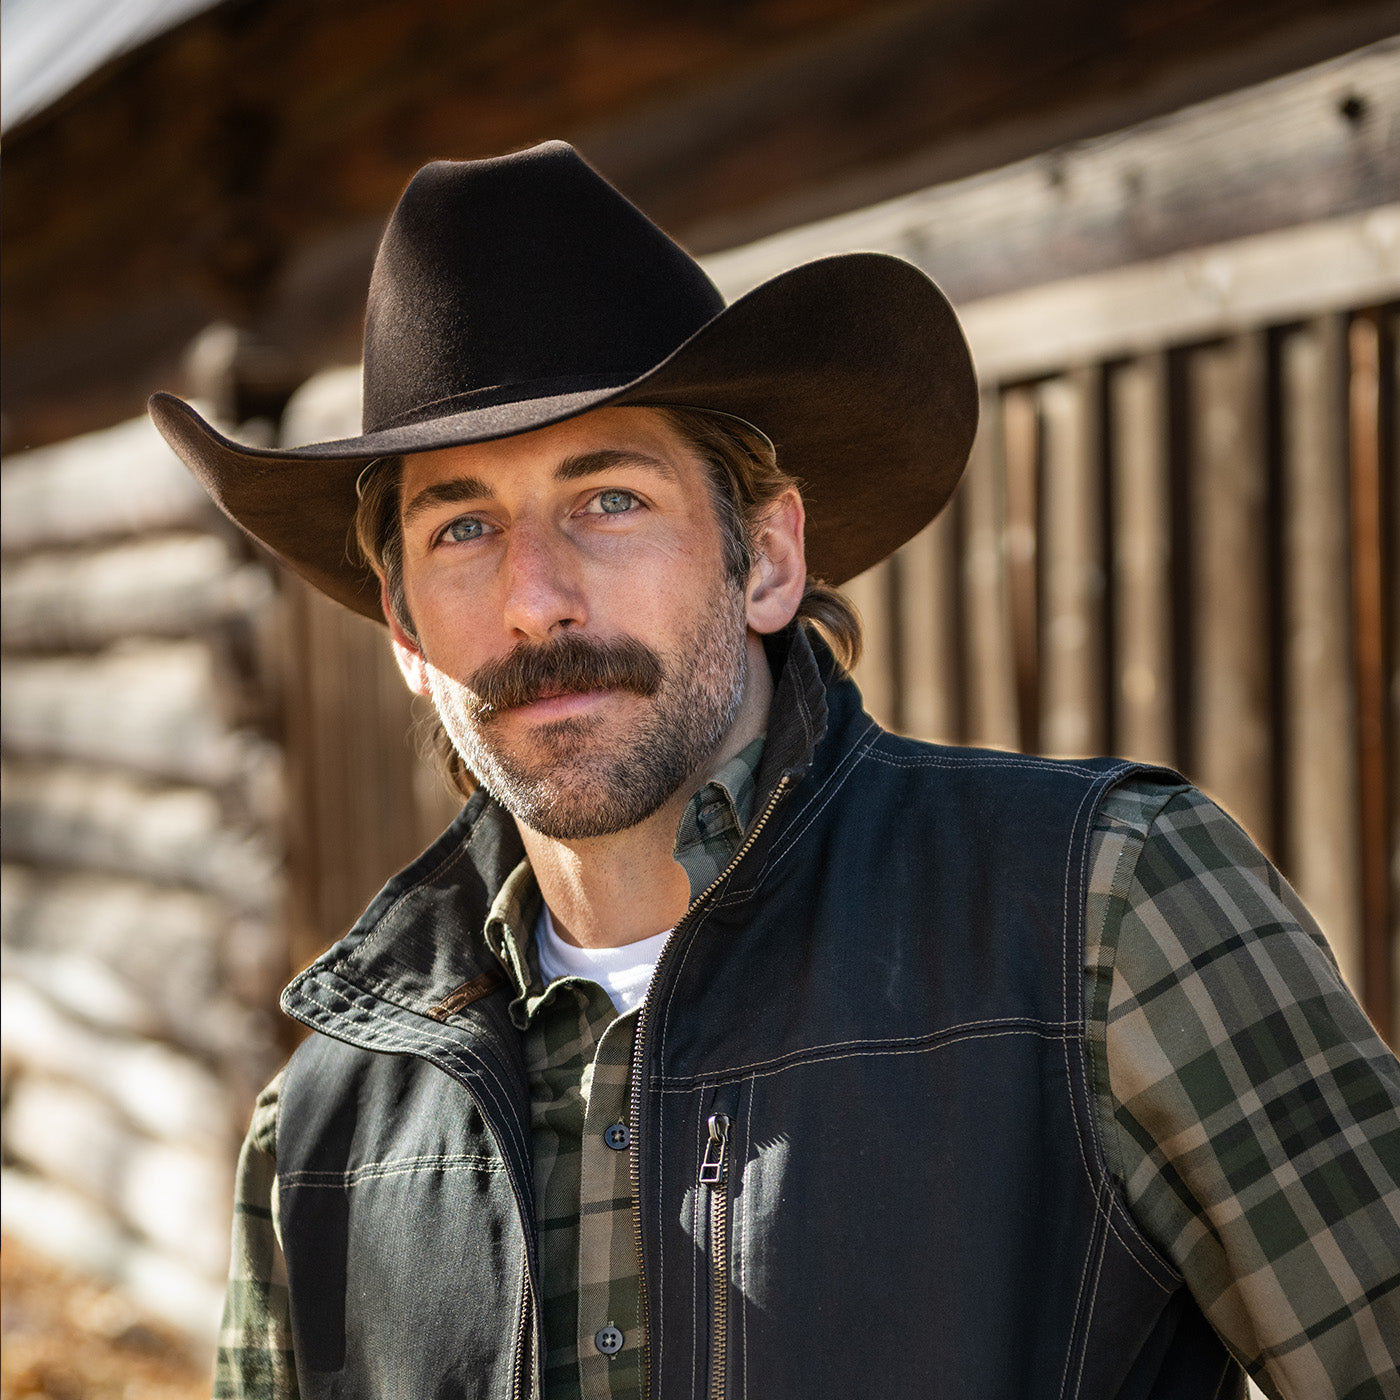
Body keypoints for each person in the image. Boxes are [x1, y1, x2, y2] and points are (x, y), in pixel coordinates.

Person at [152, 142, 1399, 1400]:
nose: (533, 598)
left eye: (609, 498)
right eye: (463, 526)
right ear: (408, 632)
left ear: (765, 559)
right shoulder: (316, 1132)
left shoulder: (1104, 911)